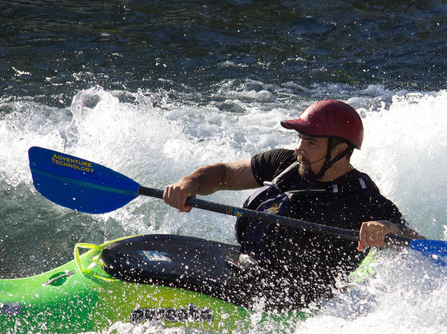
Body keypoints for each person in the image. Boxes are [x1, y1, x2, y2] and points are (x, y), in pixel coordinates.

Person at [163, 99, 423, 310]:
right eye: (300, 139)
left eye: (311, 143)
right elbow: (223, 174)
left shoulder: (361, 197)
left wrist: (386, 228)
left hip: (300, 302)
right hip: (250, 268)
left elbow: (414, 242)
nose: (300, 149)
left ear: (340, 150)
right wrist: (190, 183)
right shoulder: (284, 163)